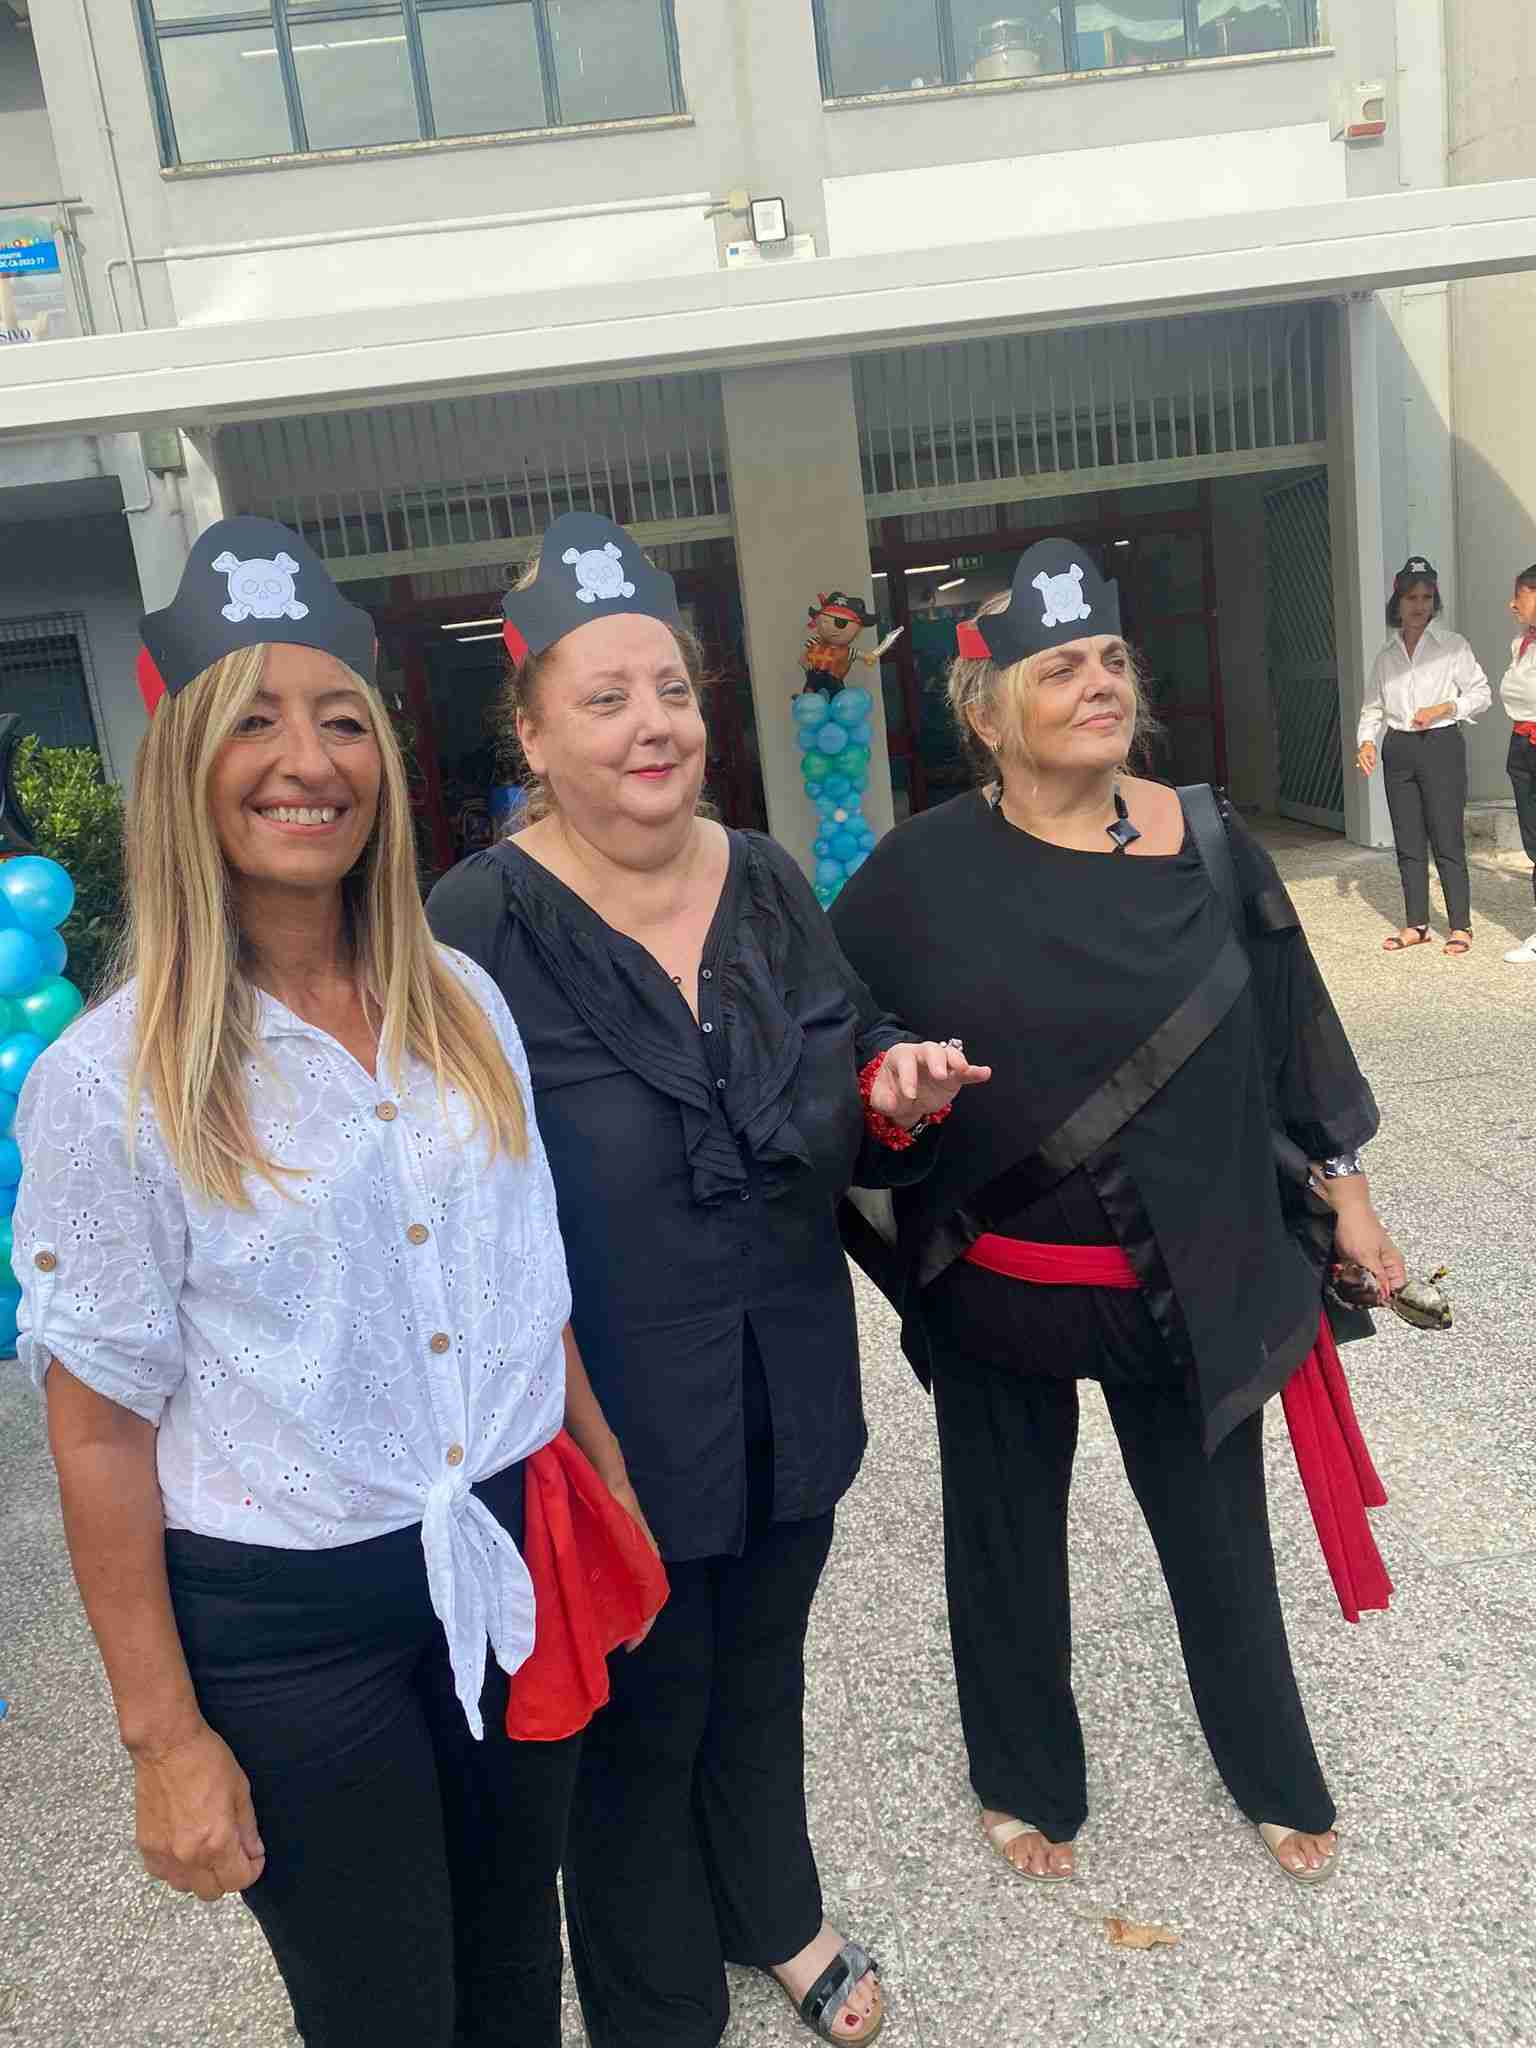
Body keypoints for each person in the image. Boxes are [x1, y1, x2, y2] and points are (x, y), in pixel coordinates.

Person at [13, 518, 650, 2048]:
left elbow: (527, 1286)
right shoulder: (111, 1081)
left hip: (506, 1546)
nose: (309, 761)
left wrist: (607, 1486)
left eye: (344, 720)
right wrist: (163, 1739)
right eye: (256, 720)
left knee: (518, 1965)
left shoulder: (465, 1003)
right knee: (383, 2016)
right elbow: (97, 1430)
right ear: (184, 762)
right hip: (291, 1632)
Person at [425, 512, 988, 2048]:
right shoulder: (474, 926)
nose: (651, 723)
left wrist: (894, 1086)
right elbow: (437, 1198)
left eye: (669, 689)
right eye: (603, 697)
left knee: (763, 1674)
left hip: (783, 1386)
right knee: (637, 1725)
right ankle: (655, 1999)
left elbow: (852, 1040)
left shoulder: (766, 879)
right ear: (533, 731)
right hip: (604, 1425)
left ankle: (773, 1908)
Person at [831, 539, 1405, 1891]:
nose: (1098, 683)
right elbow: (841, 1029)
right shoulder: (915, 875)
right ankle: (1025, 1775)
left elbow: (1295, 1024)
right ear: (985, 713)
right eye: (1059, 668)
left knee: (1220, 1538)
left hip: (1193, 1269)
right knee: (1004, 1538)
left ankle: (1271, 1767)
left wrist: (1350, 1196)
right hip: (999, 1276)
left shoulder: (1207, 837)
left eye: (1108, 659)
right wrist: (888, 1075)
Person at [1355, 555, 1490, 956]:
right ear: (1397, 601)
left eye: (1427, 597)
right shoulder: (1386, 655)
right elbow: (1372, 708)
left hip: (1440, 745)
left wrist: (1446, 707)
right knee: (1408, 841)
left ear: (1435, 601)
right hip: (1399, 749)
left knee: (1447, 839)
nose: (1419, 605)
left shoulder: (1452, 646)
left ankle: (1460, 926)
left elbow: (1481, 693)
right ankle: (1417, 924)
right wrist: (1366, 742)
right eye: (1411, 597)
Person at [1498, 563, 1536, 963]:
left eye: (1520, 595)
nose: (1513, 604)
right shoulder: (1520, 644)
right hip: (1522, 744)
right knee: (1534, 839)